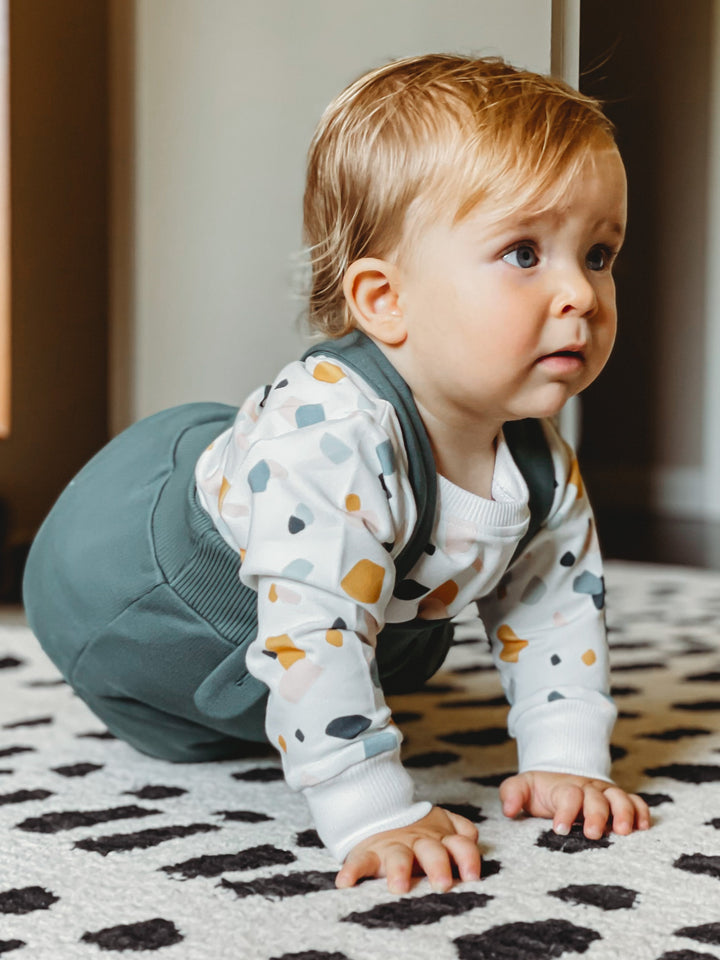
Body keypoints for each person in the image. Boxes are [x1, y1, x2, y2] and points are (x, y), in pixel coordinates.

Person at [23, 53, 650, 896]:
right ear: (384, 299)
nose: (580, 292)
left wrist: (568, 762)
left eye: (600, 254)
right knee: (201, 719)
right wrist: (373, 810)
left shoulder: (537, 461)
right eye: (525, 253)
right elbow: (311, 638)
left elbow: (555, 613)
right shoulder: (330, 439)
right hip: (137, 594)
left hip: (319, 604)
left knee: (354, 654)